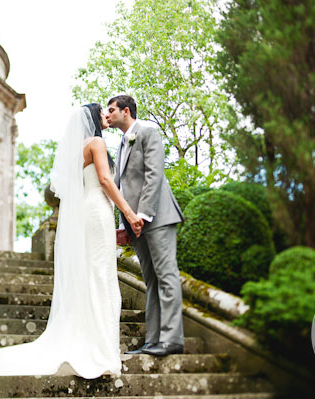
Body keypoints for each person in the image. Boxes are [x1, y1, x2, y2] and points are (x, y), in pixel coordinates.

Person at [0, 104, 142, 377]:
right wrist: (130, 214)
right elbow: (106, 182)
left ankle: (99, 347)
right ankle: (102, 353)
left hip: (90, 210)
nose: (107, 116)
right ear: (94, 119)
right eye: (103, 113)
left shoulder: (79, 149)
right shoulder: (96, 142)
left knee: (95, 275)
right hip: (97, 210)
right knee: (101, 276)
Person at [108, 95, 185, 356]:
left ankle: (172, 339)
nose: (108, 115)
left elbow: (154, 174)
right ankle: (153, 340)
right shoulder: (120, 143)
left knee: (167, 276)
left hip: (158, 217)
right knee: (151, 280)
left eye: (111, 110)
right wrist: (124, 224)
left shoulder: (148, 131)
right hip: (135, 224)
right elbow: (121, 187)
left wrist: (142, 215)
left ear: (126, 111)